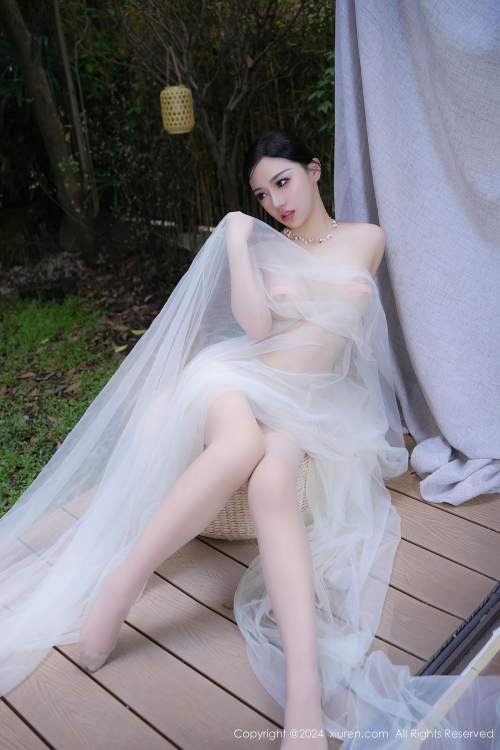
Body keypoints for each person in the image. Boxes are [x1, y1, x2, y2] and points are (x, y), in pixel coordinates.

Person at [1, 129, 498, 749]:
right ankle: (122, 583)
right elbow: (257, 327)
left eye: (283, 182)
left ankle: (303, 696)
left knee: (272, 482)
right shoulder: (266, 246)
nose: (276, 202)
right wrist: (238, 238)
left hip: (307, 404)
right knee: (239, 448)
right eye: (262, 195)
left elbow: (344, 330)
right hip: (237, 378)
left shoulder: (367, 238)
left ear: (314, 170)